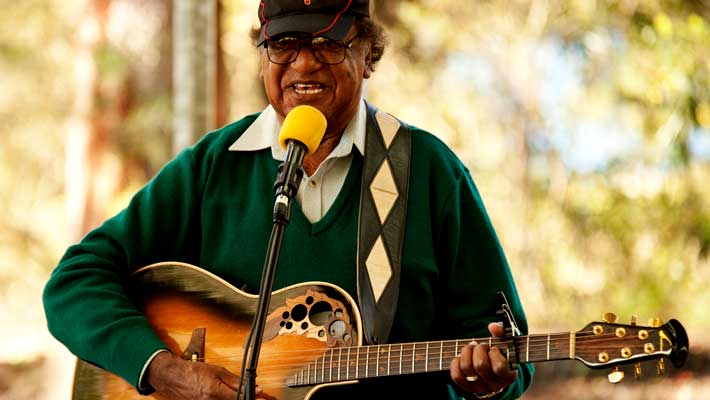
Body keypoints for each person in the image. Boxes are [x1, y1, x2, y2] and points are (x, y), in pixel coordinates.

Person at [43, 1, 534, 399]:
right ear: (263, 59)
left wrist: (486, 383)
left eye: (326, 43)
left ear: (367, 56)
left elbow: (509, 351)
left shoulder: (428, 170)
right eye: (283, 44)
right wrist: (162, 369)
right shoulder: (214, 165)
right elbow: (74, 282)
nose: (303, 62)